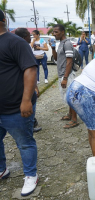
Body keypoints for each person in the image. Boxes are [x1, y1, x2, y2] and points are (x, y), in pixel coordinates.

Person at [0, 10, 39, 196]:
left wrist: (26, 100)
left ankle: (31, 175)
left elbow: (30, 69)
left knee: (24, 143)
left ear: (3, 21)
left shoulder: (14, 42)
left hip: (16, 107)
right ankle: (2, 169)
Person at [50, 24, 78, 129]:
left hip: (67, 75)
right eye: (53, 32)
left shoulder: (67, 43)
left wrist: (65, 78)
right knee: (67, 96)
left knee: (71, 97)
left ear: (62, 32)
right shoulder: (61, 43)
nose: (54, 34)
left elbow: (69, 61)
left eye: (56, 32)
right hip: (62, 74)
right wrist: (53, 48)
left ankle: (74, 120)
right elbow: (57, 59)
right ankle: (70, 115)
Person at [15, 28, 42, 133]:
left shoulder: (19, 46)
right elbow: (29, 70)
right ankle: (29, 126)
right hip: (23, 86)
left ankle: (31, 124)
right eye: (28, 35)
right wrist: (35, 87)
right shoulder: (23, 47)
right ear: (23, 37)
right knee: (29, 105)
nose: (30, 37)